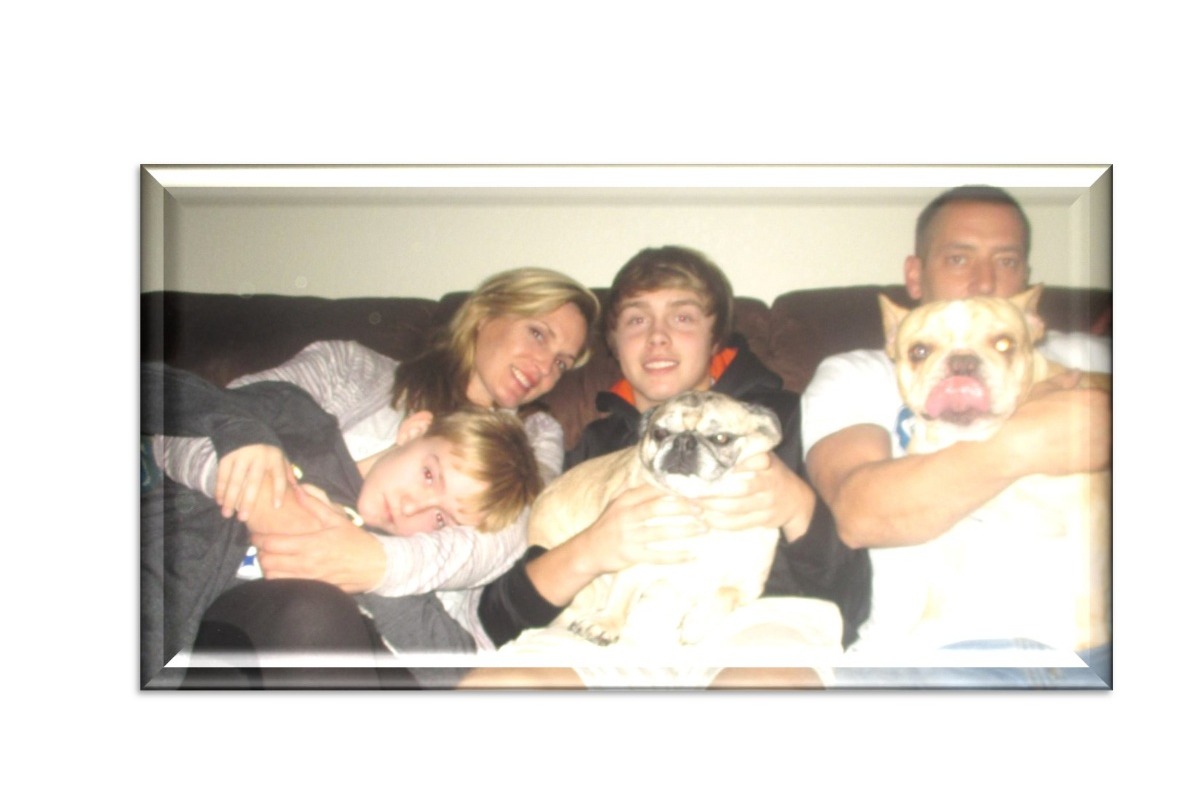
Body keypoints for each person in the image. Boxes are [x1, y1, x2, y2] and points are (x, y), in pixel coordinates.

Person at [144, 267, 599, 686]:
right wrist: (274, 505)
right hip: (246, 595)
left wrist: (374, 564)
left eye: (562, 362)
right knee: (313, 613)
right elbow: (199, 421)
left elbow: (510, 537)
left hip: (402, 634)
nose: (545, 367)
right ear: (486, 314)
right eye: (538, 334)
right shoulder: (350, 369)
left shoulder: (533, 441)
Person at [459, 245, 870, 688]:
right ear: (614, 345)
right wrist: (592, 548)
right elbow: (498, 617)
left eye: (683, 317)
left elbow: (857, 594)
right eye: (637, 320)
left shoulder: (787, 419)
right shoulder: (594, 446)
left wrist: (797, 507)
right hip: (612, 625)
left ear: (716, 338)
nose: (658, 336)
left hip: (758, 622)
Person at [799, 185, 1113, 686]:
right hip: (932, 656)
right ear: (915, 274)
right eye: (959, 258)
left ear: (1030, 304)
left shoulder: (1092, 357)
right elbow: (862, 515)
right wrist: (1028, 436)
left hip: (1099, 652)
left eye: (1006, 261)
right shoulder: (858, 373)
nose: (984, 281)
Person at [142, 363, 542, 688]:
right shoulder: (301, 424)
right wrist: (241, 434)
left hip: (239, 653)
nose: (411, 508)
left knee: (320, 613)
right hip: (161, 604)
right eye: (428, 475)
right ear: (415, 430)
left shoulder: (385, 564)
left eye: (440, 518)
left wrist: (366, 575)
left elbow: (458, 671)